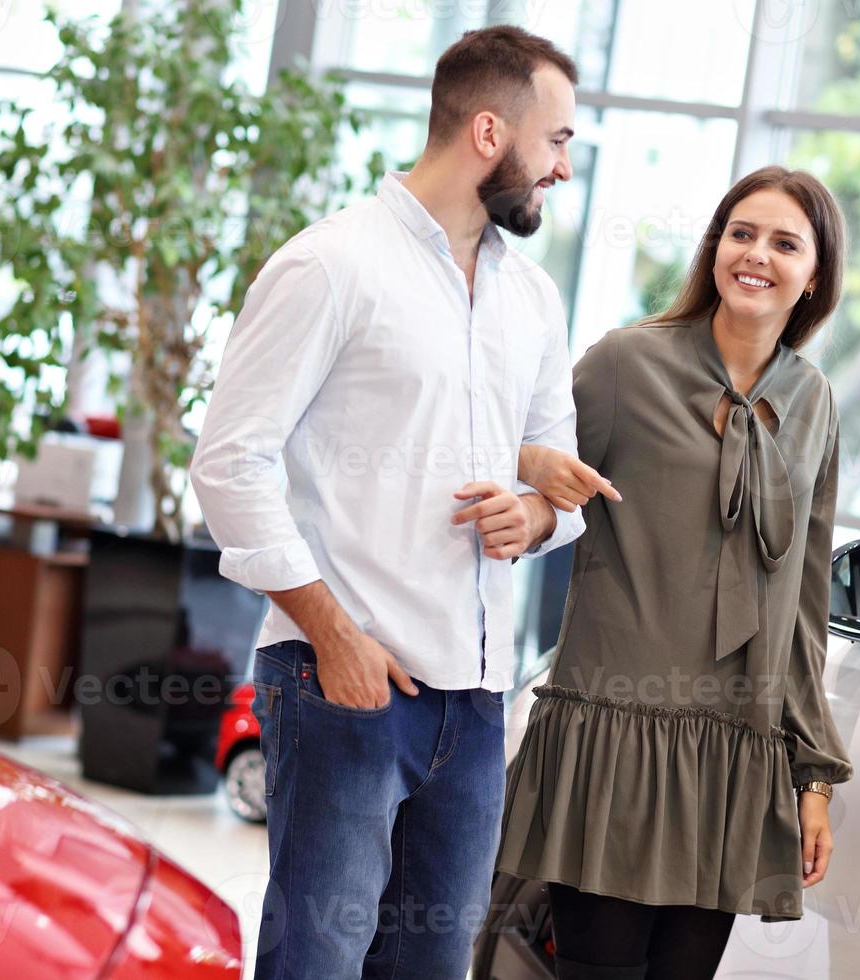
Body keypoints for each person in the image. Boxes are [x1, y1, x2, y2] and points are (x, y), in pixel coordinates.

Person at [188, 25, 585, 979]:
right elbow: (229, 464)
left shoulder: (530, 298)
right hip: (343, 688)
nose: (563, 170)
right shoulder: (331, 265)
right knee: (316, 961)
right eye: (559, 140)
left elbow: (560, 476)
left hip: (477, 705)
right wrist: (331, 634)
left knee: (431, 968)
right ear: (490, 132)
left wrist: (534, 517)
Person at [497, 166, 854, 979]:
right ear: (716, 248)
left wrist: (814, 777)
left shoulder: (814, 403)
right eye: (741, 233)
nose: (756, 254)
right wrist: (528, 494)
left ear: (814, 277)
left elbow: (804, 602)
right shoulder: (627, 364)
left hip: (735, 753)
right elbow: (507, 443)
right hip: (614, 740)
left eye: (784, 243)